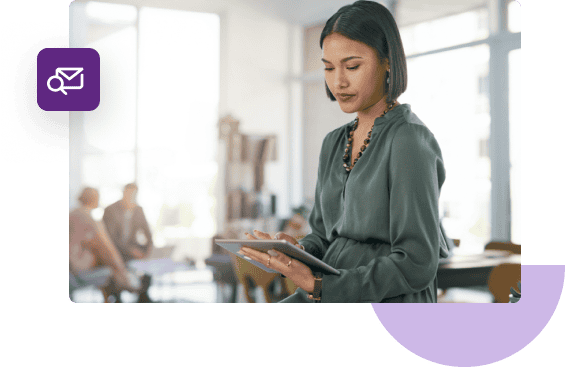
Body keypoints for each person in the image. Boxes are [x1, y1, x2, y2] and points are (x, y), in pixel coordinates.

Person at [239, 0, 450, 303]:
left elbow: (417, 262)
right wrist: (297, 249)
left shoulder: (409, 141)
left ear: (387, 61)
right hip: (331, 291)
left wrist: (321, 285)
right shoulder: (334, 142)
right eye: (328, 67)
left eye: (352, 66)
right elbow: (325, 237)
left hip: (388, 301)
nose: (338, 81)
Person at [69, 187, 140, 294]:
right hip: (76, 273)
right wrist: (123, 273)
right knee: (114, 274)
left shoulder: (72, 214)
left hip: (71, 271)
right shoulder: (87, 218)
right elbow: (107, 248)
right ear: (95, 199)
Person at [102, 183, 154, 302]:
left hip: (132, 247)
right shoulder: (110, 210)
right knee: (114, 264)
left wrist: (149, 248)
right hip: (115, 248)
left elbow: (147, 232)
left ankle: (143, 295)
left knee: (149, 262)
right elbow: (110, 238)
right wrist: (131, 250)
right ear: (124, 193)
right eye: (128, 193)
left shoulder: (138, 210)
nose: (131, 197)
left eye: (133, 194)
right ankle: (116, 297)